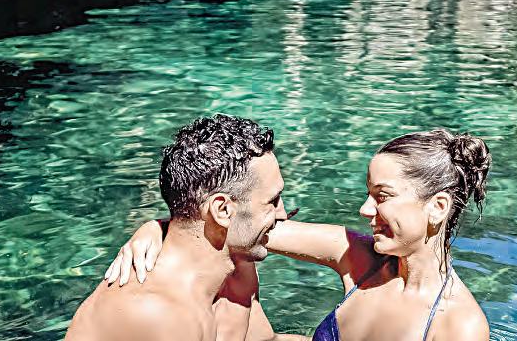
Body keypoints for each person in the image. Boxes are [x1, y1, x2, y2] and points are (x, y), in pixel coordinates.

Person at [109, 129, 491, 341]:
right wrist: (157, 227)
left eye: (382, 196)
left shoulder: (458, 327)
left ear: (437, 207)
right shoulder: (357, 258)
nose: (365, 209)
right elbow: (237, 227)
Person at [65, 114, 289, 341]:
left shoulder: (236, 267)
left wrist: (156, 225)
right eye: (273, 201)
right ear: (222, 210)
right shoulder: (162, 317)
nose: (283, 214)